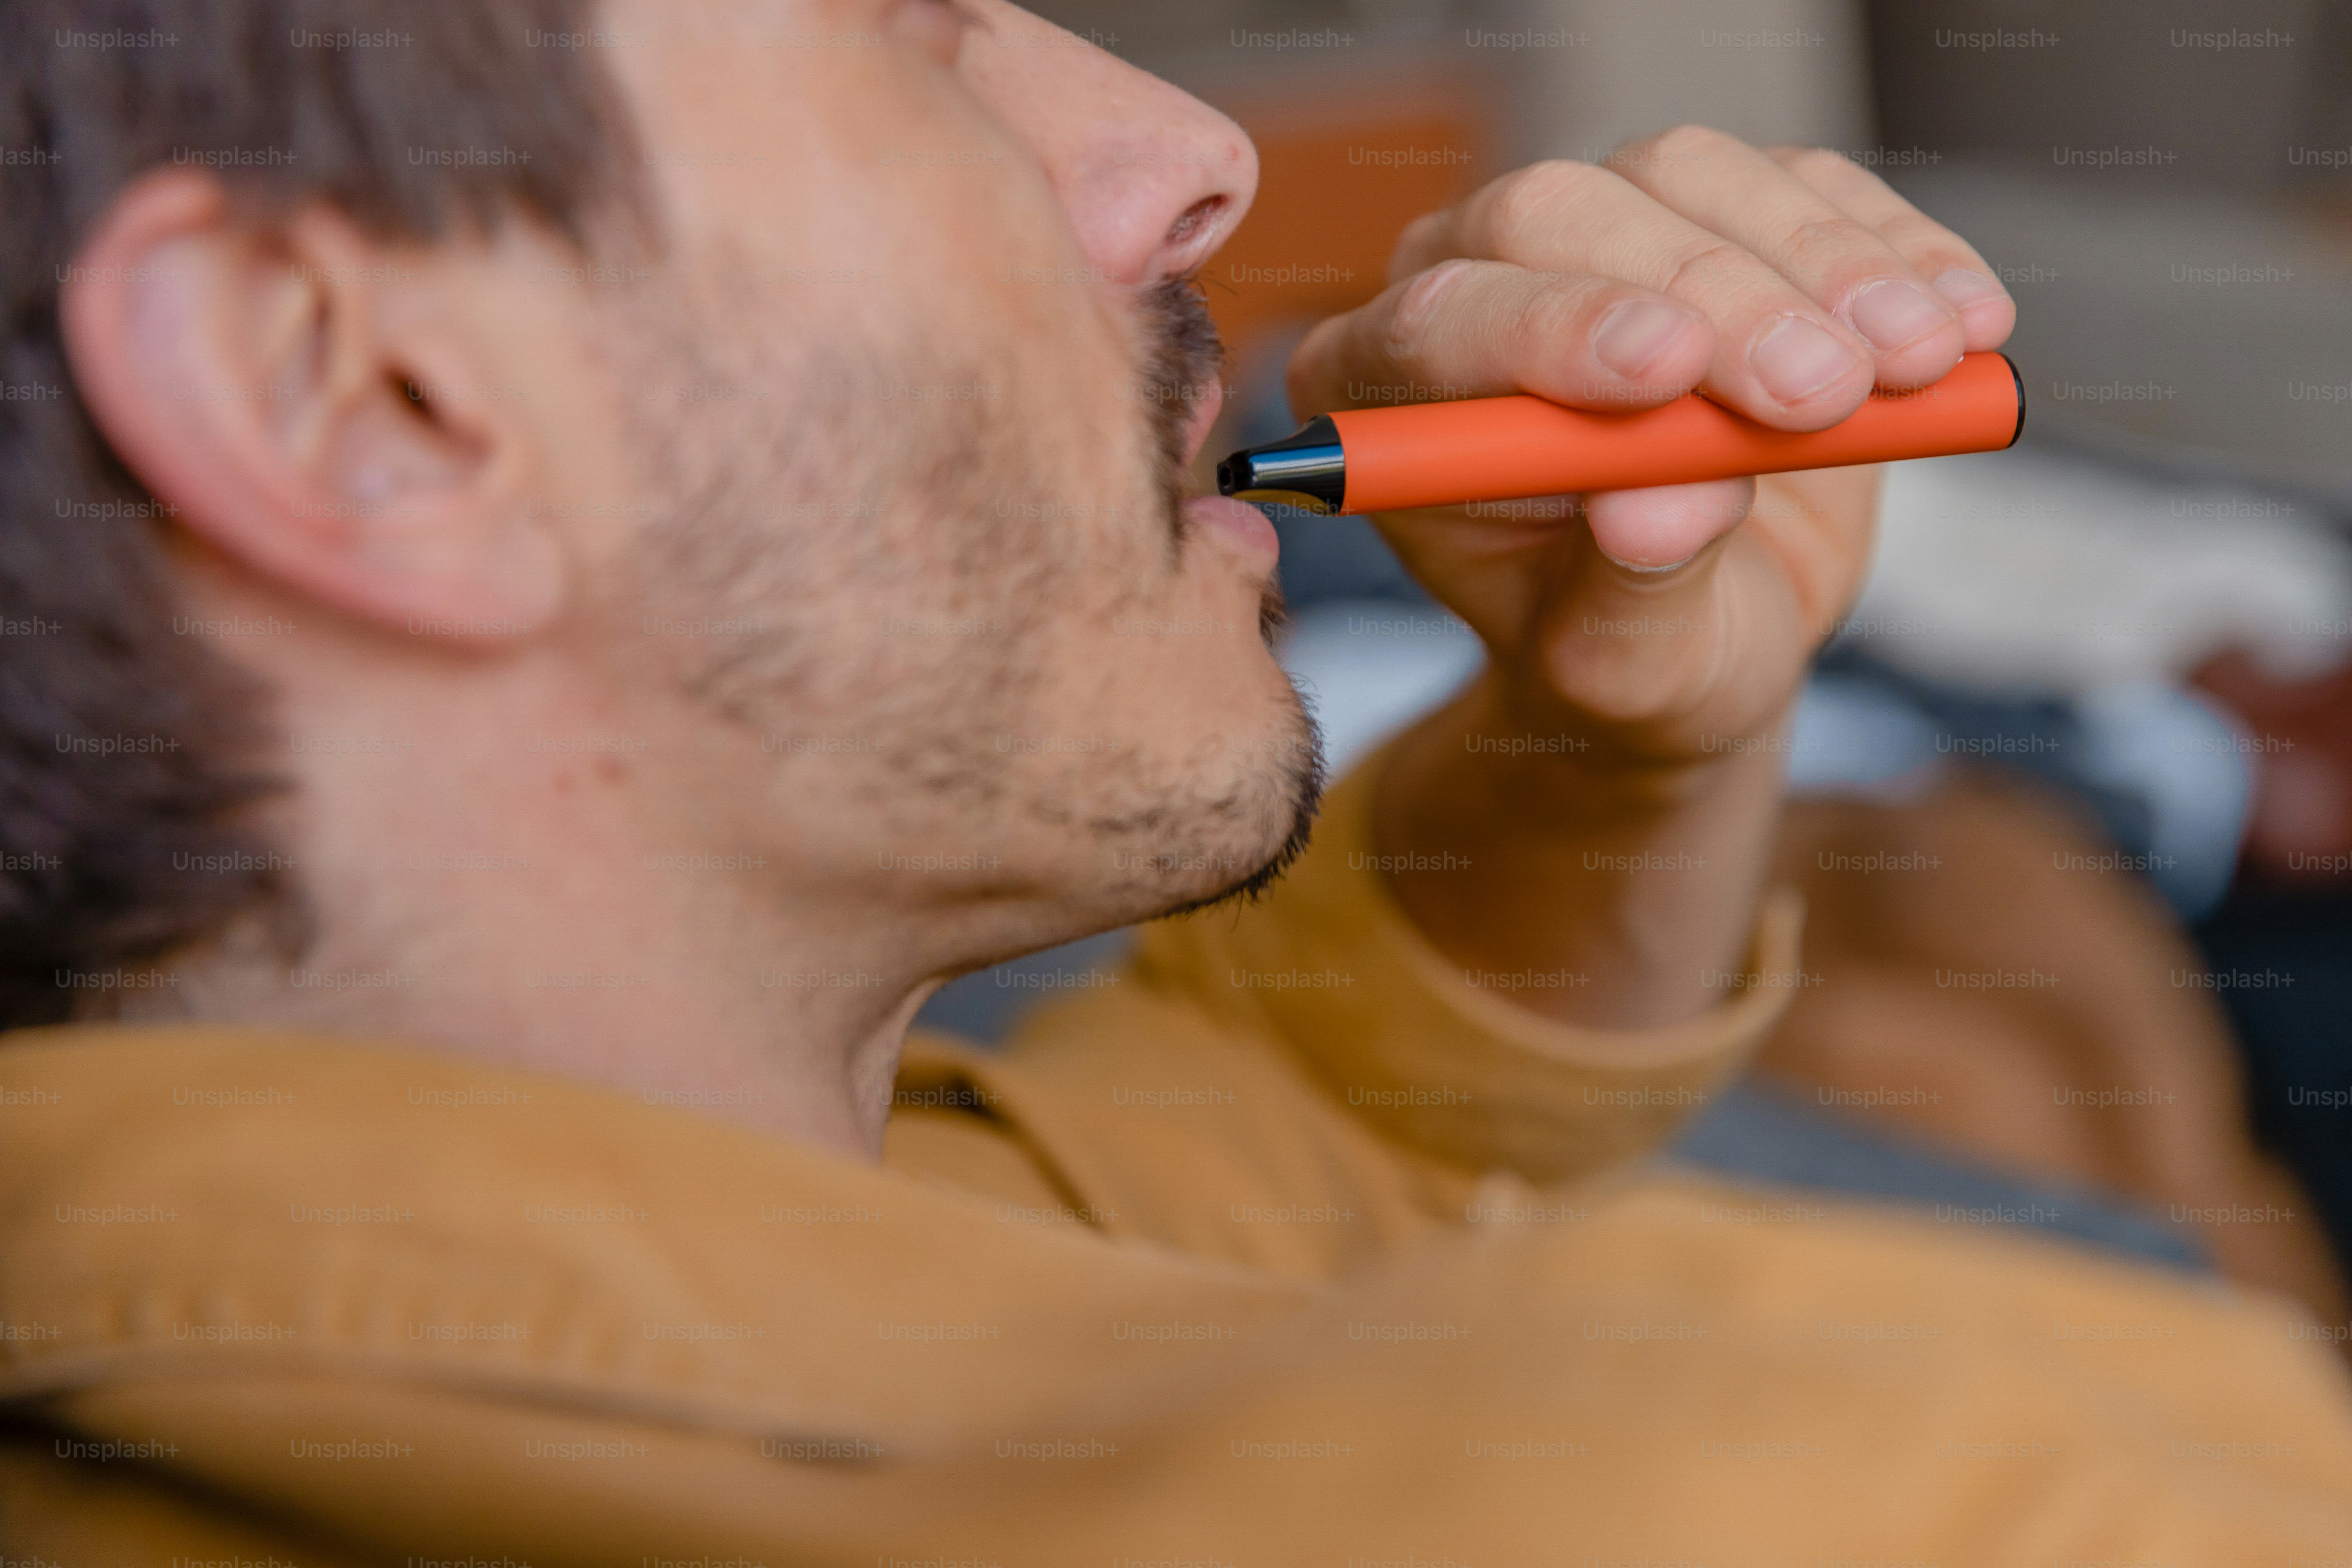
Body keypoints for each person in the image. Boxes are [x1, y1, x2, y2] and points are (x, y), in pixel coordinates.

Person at [2, 0, 2346, 1558]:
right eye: (920, 33)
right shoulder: (1938, 1486)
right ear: (360, 402)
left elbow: (1294, 1132)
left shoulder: (314, 1297)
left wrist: (1613, 728)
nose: (1192, 158)